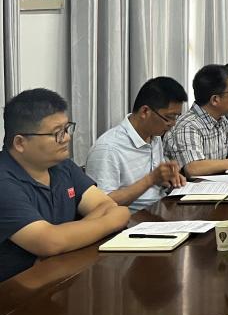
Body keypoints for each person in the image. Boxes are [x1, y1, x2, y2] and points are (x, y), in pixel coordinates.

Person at [0, 89, 130, 283]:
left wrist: (63, 241)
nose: (67, 138)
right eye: (57, 133)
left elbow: (106, 205)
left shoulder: (62, 166)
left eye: (67, 129)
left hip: (60, 278)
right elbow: (48, 241)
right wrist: (112, 220)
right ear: (20, 143)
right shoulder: (4, 181)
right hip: (15, 292)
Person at [85, 77, 188, 212]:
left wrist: (168, 178)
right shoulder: (108, 148)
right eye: (169, 117)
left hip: (158, 208)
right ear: (145, 111)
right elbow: (101, 204)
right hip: (131, 219)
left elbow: (155, 186)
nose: (173, 124)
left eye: (176, 117)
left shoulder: (155, 137)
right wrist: (151, 179)